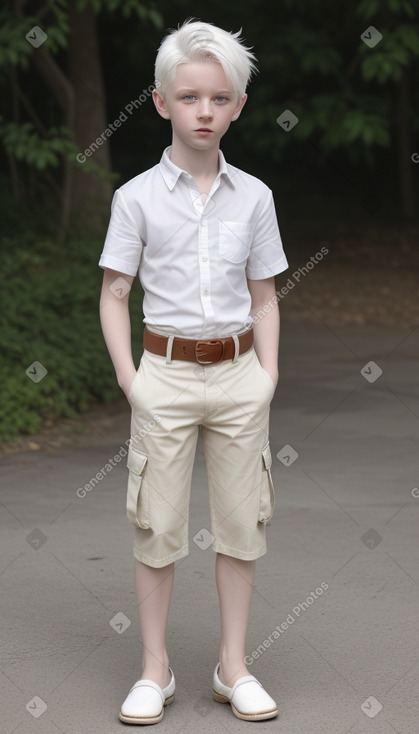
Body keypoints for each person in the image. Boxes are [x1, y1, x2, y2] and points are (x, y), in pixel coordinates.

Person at [98, 17, 288, 725]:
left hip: (239, 376)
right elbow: (115, 293)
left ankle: (232, 666)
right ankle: (155, 670)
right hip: (165, 377)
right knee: (157, 528)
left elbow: (266, 295)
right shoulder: (135, 198)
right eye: (188, 98)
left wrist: (266, 376)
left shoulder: (255, 197)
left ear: (236, 105)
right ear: (160, 102)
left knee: (243, 527)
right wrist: (131, 381)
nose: (202, 111)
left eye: (217, 98)